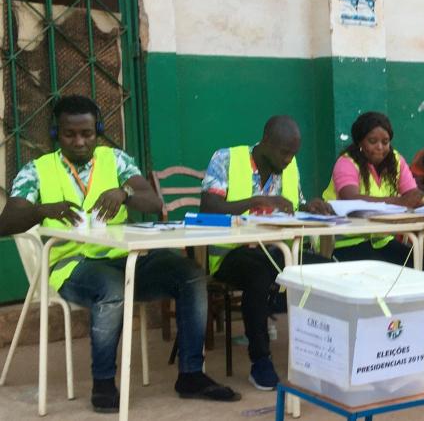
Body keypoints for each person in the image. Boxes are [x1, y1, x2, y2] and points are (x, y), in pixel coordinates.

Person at [0, 95, 239, 412]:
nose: (80, 141)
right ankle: (103, 383)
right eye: (70, 134)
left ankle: (191, 374)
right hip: (73, 265)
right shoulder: (37, 170)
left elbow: (154, 203)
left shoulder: (115, 160)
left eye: (87, 133)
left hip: (128, 260)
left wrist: (124, 193)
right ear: (56, 134)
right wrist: (40, 209)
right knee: (110, 289)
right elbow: (7, 223)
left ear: (97, 131)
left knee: (190, 275)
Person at [200, 115, 334, 391]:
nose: (288, 159)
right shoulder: (226, 159)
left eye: (293, 154)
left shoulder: (289, 167)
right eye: (284, 152)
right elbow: (209, 207)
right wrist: (257, 200)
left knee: (326, 269)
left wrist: (310, 206)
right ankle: (260, 361)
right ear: (265, 142)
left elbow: (291, 207)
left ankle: (323, 358)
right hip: (231, 255)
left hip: (277, 251)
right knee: (260, 275)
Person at [323, 111, 423, 265]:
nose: (380, 147)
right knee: (381, 272)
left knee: (419, 262)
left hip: (379, 240)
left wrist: (418, 198)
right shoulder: (346, 162)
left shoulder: (396, 160)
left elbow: (411, 194)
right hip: (345, 241)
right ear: (360, 142)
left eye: (385, 142)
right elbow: (350, 198)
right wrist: (400, 201)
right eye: (373, 141)